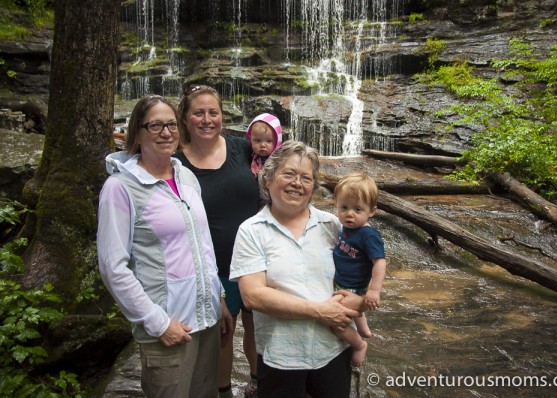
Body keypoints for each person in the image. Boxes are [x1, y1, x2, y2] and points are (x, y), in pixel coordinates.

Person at [97, 94, 225, 398]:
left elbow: (202, 245)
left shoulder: (186, 176)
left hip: (206, 322)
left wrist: (218, 296)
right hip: (168, 328)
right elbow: (112, 267)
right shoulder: (120, 188)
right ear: (136, 133)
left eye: (170, 124)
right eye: (155, 125)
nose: (165, 133)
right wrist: (158, 323)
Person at [230, 140, 368, 398]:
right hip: (281, 356)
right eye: (289, 174)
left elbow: (359, 274)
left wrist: (358, 301)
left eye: (306, 178)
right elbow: (253, 295)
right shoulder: (251, 231)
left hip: (333, 350)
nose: (297, 183)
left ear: (313, 186)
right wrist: (319, 311)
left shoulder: (333, 226)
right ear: (268, 179)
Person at [173, 84, 259, 398]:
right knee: (223, 333)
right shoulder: (175, 165)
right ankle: (222, 392)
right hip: (212, 270)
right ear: (185, 118)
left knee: (258, 330)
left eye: (214, 112)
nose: (207, 119)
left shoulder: (245, 149)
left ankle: (258, 384)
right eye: (199, 113)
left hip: (255, 265)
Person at [332, 172, 387, 367]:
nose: (349, 214)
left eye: (357, 209)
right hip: (342, 280)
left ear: (371, 211)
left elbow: (380, 262)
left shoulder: (368, 234)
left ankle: (358, 344)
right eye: (344, 207)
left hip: (353, 287)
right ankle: (364, 329)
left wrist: (374, 290)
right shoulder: (348, 227)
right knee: (354, 314)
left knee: (336, 322)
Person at [246, 112, 283, 177]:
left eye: (269, 141)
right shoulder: (248, 155)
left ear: (277, 142)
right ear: (250, 139)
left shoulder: (279, 161)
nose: (262, 145)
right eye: (258, 140)